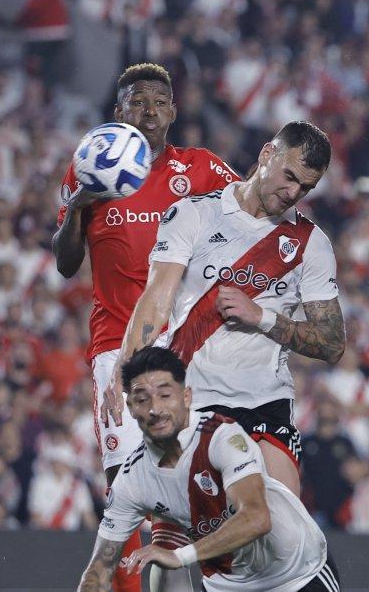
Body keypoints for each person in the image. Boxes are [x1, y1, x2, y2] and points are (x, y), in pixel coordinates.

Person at [53, 63, 239, 591]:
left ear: (174, 111)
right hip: (117, 347)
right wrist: (77, 208)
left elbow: (250, 212)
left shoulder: (200, 169)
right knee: (126, 482)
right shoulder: (87, 167)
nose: (149, 110)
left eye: (159, 101)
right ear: (119, 112)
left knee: (201, 478)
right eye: (138, 101)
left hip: (186, 348)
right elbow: (66, 263)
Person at [104, 120, 345, 500]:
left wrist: (262, 317)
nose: (293, 192)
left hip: (267, 402)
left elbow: (332, 344)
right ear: (267, 154)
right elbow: (156, 298)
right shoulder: (193, 214)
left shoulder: (309, 243)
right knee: (199, 535)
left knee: (283, 529)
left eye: (305, 188)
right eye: (289, 177)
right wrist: (126, 368)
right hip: (195, 400)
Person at [78, 347, 339, 591]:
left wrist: (180, 556)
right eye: (142, 399)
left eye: (165, 395)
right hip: (225, 586)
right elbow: (100, 568)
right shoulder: (132, 480)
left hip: (296, 575)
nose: (155, 409)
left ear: (186, 397)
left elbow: (257, 519)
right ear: (132, 408)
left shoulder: (222, 437)